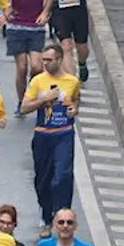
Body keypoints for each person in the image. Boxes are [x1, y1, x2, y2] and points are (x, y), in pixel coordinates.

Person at [20, 42, 82, 227]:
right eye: (43, 60)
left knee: (63, 176)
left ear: (60, 60)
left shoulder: (72, 81)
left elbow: (75, 100)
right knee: (43, 179)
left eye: (49, 60)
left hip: (64, 134)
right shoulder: (38, 81)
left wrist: (74, 109)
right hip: (43, 135)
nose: (45, 63)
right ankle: (46, 215)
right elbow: (24, 108)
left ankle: (63, 216)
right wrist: (44, 99)